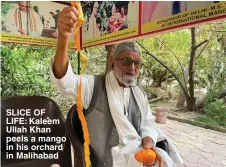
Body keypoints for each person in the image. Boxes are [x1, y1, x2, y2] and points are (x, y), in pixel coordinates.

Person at [50, 6, 183, 167]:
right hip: (105, 161)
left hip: (137, 153)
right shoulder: (93, 86)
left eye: (137, 63)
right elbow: (65, 82)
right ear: (113, 64)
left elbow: (147, 121)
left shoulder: (139, 93)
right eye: (126, 61)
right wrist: (63, 39)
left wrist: (148, 138)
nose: (132, 68)